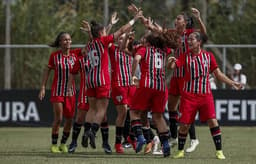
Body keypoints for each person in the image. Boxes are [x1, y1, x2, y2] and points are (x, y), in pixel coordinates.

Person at [168, 32, 242, 159]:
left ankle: (219, 151)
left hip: (205, 95)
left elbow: (218, 74)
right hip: (188, 96)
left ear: (199, 42)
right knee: (184, 125)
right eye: (188, 40)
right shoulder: (185, 56)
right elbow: (173, 66)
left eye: (192, 39)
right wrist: (170, 62)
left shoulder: (208, 56)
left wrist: (232, 83)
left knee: (213, 121)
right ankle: (180, 151)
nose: (189, 42)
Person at [79, 11, 142, 153]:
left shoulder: (90, 45)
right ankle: (92, 132)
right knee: (102, 110)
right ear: (101, 33)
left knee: (92, 109)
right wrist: (133, 20)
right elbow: (120, 31)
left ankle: (86, 131)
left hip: (90, 80)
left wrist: (108, 26)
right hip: (102, 80)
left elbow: (98, 37)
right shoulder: (104, 41)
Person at [67, 11, 119, 154]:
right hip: (87, 90)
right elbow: (72, 73)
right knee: (81, 117)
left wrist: (108, 26)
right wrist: (70, 87)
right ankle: (74, 142)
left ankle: (105, 143)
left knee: (102, 116)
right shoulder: (82, 57)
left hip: (93, 87)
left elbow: (99, 39)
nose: (84, 49)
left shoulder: (93, 48)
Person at [38, 32, 81, 153]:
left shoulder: (75, 54)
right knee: (58, 118)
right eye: (65, 40)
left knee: (69, 119)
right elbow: (47, 71)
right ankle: (54, 145)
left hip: (70, 92)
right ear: (60, 42)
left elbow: (90, 46)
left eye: (69, 39)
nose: (67, 42)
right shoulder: (54, 56)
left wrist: (89, 32)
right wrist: (42, 87)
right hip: (57, 91)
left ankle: (63, 144)